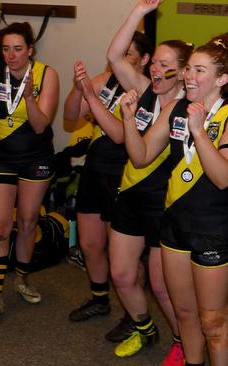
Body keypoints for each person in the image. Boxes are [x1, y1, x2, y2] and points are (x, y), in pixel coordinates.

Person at [121, 33, 228, 366]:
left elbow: (223, 178)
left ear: (222, 79)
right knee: (186, 315)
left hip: (213, 229)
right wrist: (127, 119)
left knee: (213, 323)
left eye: (199, 71)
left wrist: (199, 131)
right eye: (189, 69)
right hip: (174, 227)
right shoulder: (175, 108)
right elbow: (140, 157)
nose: (189, 77)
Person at [105, 0, 191, 362]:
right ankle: (144, 329)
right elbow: (114, 56)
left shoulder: (188, 107)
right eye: (153, 61)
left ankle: (184, 342)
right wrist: (139, 13)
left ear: (184, 73)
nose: (155, 69)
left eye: (165, 66)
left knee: (162, 286)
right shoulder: (143, 88)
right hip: (130, 195)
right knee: (122, 275)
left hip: (165, 204)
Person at [63, 31, 151, 330]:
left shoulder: (146, 92)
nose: (121, 60)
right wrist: (78, 90)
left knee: (122, 253)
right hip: (94, 169)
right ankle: (100, 299)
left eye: (129, 54)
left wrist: (91, 96)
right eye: (119, 54)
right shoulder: (105, 80)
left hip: (122, 173)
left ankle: (132, 312)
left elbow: (117, 135)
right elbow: (70, 115)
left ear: (144, 60)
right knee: (89, 243)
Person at [0, 22, 59, 313]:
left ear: (30, 50)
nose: (11, 55)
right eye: (6, 49)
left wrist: (29, 97)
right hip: (0, 154)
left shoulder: (47, 75)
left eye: (18, 49)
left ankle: (22, 278)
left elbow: (39, 124)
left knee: (27, 221)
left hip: (36, 155)